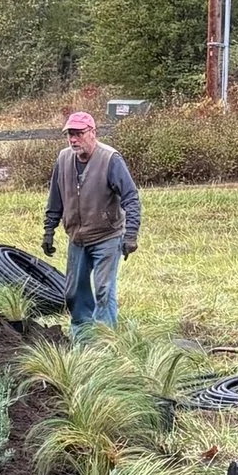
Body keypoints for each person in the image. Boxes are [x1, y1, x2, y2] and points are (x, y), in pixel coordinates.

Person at [42, 107, 141, 337]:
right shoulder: (63, 159)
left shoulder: (110, 159)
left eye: (78, 133)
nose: (73, 139)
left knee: (104, 290)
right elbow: (55, 198)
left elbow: (131, 197)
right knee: (74, 292)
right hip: (77, 238)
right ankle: (83, 339)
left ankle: (106, 343)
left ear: (93, 132)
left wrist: (131, 234)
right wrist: (49, 230)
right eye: (69, 134)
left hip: (107, 236)